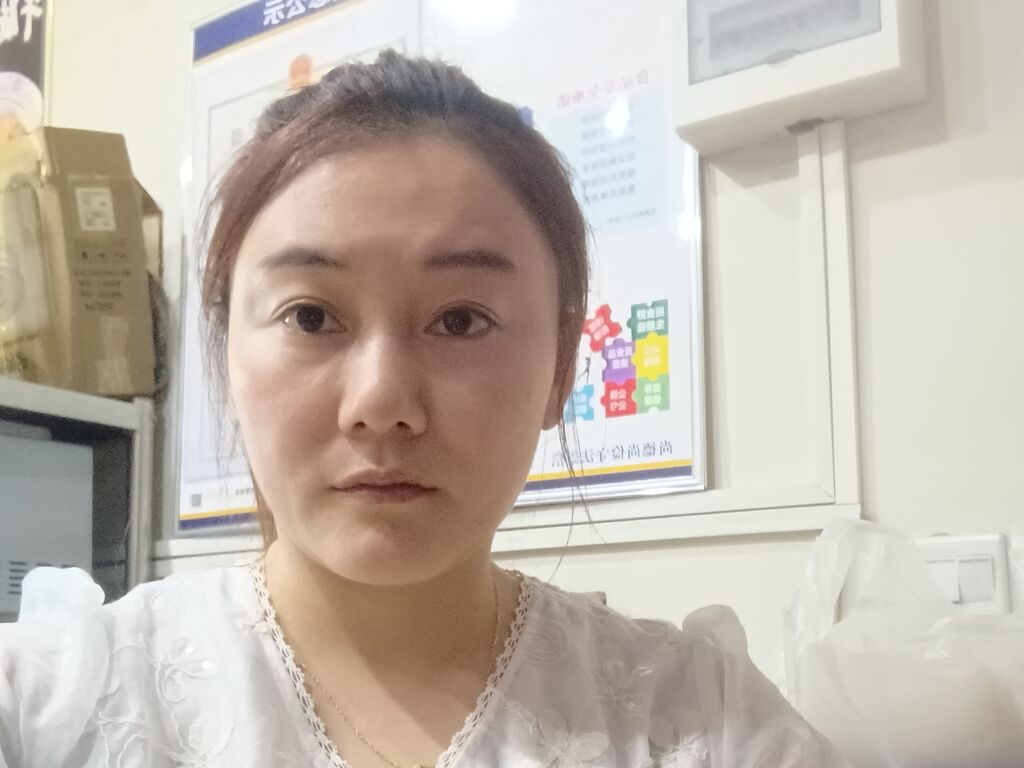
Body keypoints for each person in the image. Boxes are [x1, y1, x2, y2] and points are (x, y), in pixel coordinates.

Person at [0, 51, 847, 768]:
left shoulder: (701, 721)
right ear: (227, 352)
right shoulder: (59, 701)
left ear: (561, 367)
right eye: (311, 317)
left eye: (461, 320)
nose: (381, 404)